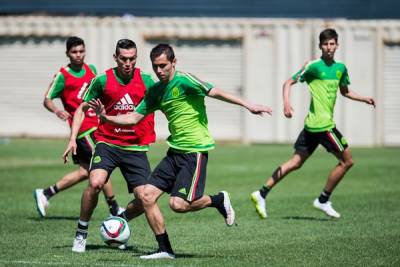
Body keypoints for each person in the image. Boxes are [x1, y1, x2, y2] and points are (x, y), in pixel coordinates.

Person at [89, 43, 273, 259]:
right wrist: (106, 118)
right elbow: (134, 117)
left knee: (178, 204)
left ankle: (218, 200)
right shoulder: (156, 91)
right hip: (175, 151)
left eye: (163, 66)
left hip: (194, 151)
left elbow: (215, 92)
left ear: (174, 63)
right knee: (147, 196)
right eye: (155, 66)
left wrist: (248, 105)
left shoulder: (185, 80)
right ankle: (165, 249)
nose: (159, 71)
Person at [250, 28, 375, 219]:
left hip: (312, 127)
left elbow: (345, 92)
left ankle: (261, 193)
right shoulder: (313, 66)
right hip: (324, 126)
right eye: (325, 44)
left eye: (332, 44)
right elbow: (288, 82)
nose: (329, 48)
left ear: (337, 45)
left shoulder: (340, 68)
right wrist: (286, 103)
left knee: (295, 162)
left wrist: (364, 98)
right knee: (347, 160)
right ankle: (323, 200)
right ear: (320, 46)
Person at [62, 39, 156, 253]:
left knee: (145, 199)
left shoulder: (147, 81)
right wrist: (72, 138)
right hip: (108, 143)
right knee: (95, 183)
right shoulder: (102, 80)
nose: (128, 63)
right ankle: (81, 231)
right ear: (116, 58)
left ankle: (118, 221)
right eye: (123, 59)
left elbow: (165, 100)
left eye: (132, 59)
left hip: (136, 147)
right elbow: (81, 108)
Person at [33, 36, 122, 218]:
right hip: (83, 130)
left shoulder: (92, 70)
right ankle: (114, 208)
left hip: (96, 126)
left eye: (81, 51)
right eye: (74, 52)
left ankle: (46, 193)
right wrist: (58, 111)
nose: (78, 55)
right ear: (67, 53)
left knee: (84, 172)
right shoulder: (63, 75)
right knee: (102, 164)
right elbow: (47, 99)